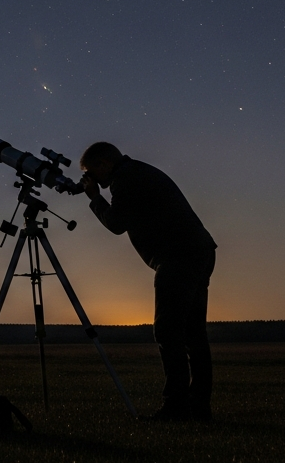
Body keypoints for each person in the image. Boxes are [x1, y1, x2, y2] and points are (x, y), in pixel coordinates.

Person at [80, 141, 218, 422]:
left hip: (178, 257)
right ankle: (198, 407)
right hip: (197, 251)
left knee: (169, 333)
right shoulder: (137, 172)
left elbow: (116, 224)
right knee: (193, 335)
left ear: (105, 164)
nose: (93, 178)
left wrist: (94, 198)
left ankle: (177, 407)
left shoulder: (125, 179)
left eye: (93, 171)